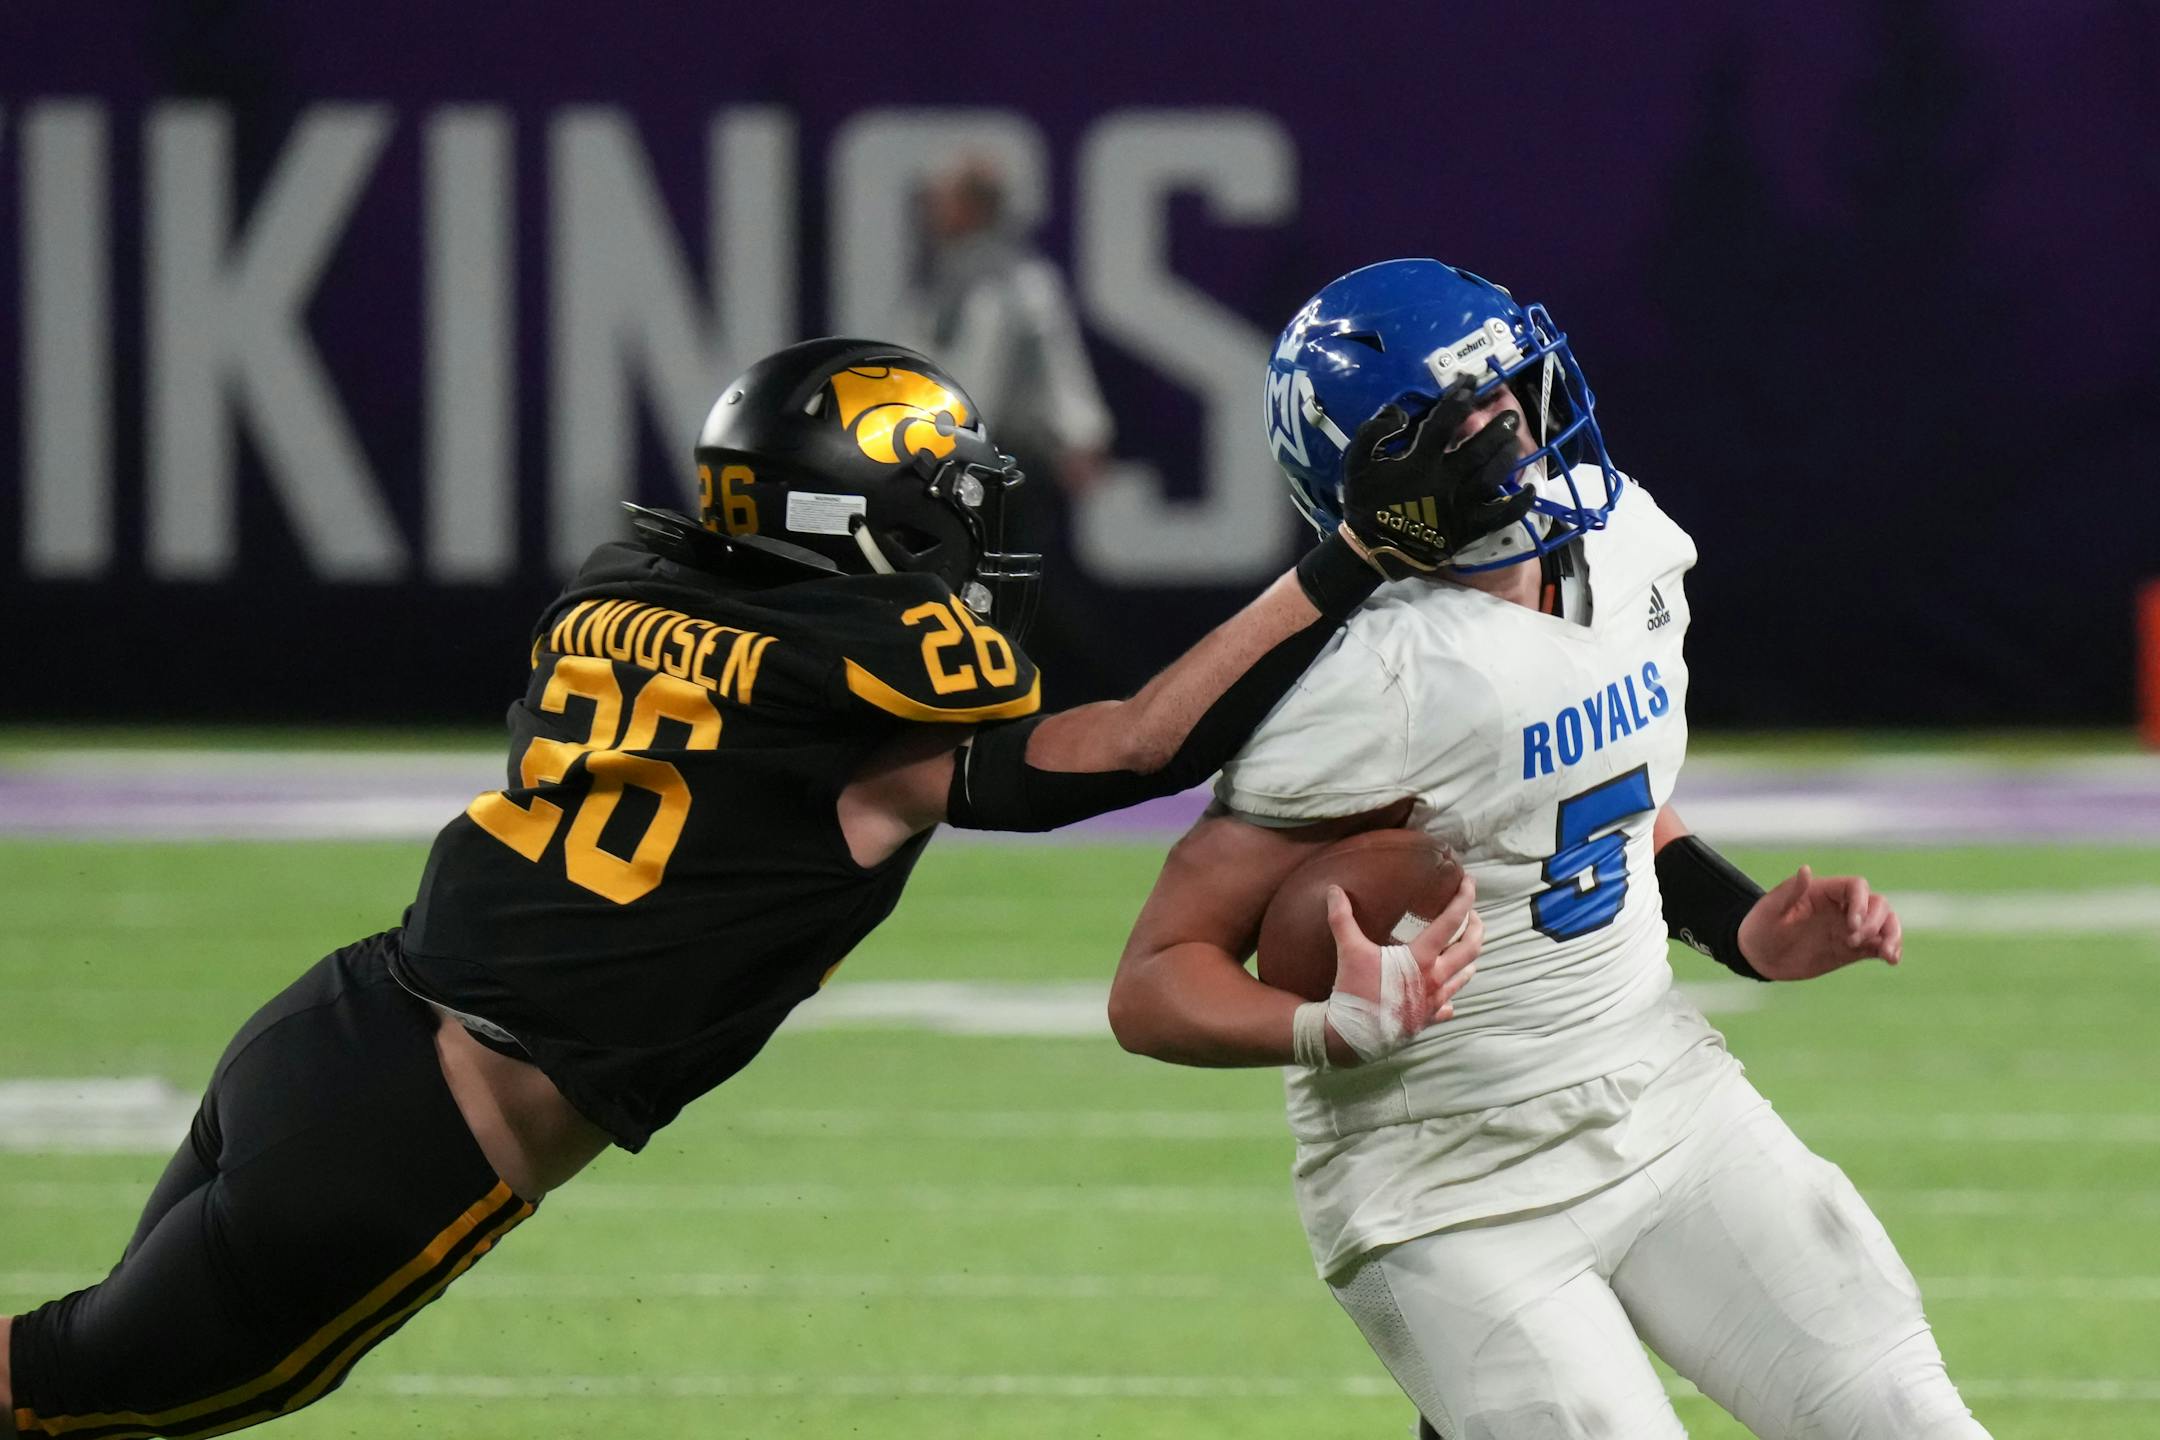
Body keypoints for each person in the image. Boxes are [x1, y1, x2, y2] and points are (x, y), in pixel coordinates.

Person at [0, 336, 1504, 1439]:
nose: (968, 532)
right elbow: (1137, 746)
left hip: (330, 1029)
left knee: (64, 1384)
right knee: (79, 1391)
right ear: (847, 517)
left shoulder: (620, 591)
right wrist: (1353, 554)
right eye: (935, 501)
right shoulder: (866, 701)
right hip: (410, 1147)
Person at [1109, 261, 1990, 1440]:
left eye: (1503, 386)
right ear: (1384, 477)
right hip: (1450, 1181)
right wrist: (1319, 1024)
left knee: (1911, 1422)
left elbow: (1602, 800)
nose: (1511, 417)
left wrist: (1743, 926)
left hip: (1664, 1098)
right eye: (1463, 412)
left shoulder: (1622, 540)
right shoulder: (1372, 680)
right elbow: (1156, 976)